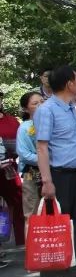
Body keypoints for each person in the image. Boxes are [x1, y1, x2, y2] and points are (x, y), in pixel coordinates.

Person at [34, 66, 76, 277]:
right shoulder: (47, 110)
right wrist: (47, 181)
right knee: (56, 225)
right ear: (69, 83)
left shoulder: (72, 109)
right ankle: (51, 275)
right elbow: (42, 147)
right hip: (59, 175)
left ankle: (75, 268)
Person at [16, 92, 45, 237]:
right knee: (32, 211)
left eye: (42, 101)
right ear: (26, 109)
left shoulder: (51, 123)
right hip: (31, 174)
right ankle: (32, 247)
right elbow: (24, 154)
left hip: (52, 171)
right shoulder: (25, 128)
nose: (40, 105)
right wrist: (45, 159)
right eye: (35, 103)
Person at [0, 90, 25, 251]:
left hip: (9, 169)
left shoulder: (11, 121)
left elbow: (20, 144)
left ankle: (21, 240)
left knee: (18, 201)